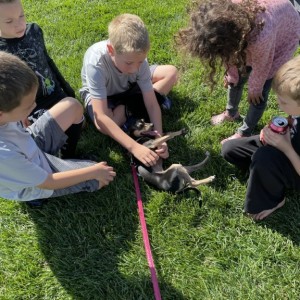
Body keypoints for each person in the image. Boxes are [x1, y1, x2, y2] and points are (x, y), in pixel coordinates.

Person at [176, 0, 300, 144]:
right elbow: (230, 54)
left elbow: (263, 65)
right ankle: (231, 113)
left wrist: (255, 88)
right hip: (248, 37)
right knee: (235, 79)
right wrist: (232, 74)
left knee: (259, 94)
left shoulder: (261, 36)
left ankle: (245, 132)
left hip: (283, 36)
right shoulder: (227, 22)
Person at [0, 51, 116, 204]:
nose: (35, 106)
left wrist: (22, 115)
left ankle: (66, 157)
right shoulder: (4, 155)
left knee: (72, 106)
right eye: (27, 107)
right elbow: (49, 182)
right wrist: (92, 171)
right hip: (37, 181)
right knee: (99, 178)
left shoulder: (6, 114)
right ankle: (35, 198)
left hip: (29, 144)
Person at [80, 13, 178, 168]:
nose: (135, 69)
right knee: (103, 126)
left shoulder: (137, 61)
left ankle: (129, 107)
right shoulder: (96, 63)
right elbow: (101, 117)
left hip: (129, 88)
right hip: (105, 95)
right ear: (111, 50)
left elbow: (152, 105)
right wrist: (135, 147)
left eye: (140, 62)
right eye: (129, 63)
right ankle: (131, 108)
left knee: (171, 73)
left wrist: (160, 138)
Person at [0, 0, 84, 158]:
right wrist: (20, 117)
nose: (19, 24)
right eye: (9, 21)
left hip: (53, 93)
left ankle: (68, 156)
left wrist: (66, 89)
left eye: (21, 16)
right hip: (28, 106)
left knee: (78, 117)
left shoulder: (34, 31)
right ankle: (58, 158)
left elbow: (47, 60)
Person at [221, 55, 300, 221]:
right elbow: (293, 121)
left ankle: (274, 200)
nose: (278, 105)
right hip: (289, 145)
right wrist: (276, 130)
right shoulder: (295, 107)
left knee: (263, 157)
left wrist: (285, 147)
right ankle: (265, 172)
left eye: (283, 102)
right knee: (230, 149)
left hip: (296, 162)